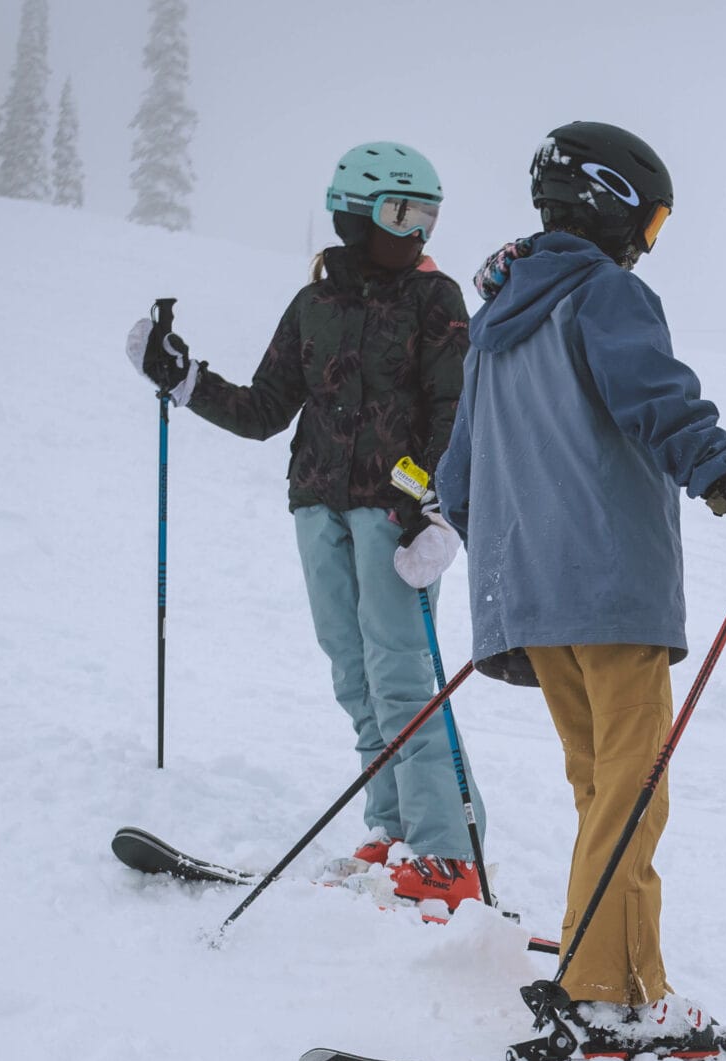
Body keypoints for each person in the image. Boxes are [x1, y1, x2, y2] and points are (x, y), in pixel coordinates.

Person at [435, 122, 726, 1058]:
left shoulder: (495, 325)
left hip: (536, 602)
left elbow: (458, 477)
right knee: (631, 795)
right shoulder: (605, 296)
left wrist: (520, 556)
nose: (651, 239)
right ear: (613, 204)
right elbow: (662, 403)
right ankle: (602, 993)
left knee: (606, 791)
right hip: (614, 591)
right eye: (655, 218)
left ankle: (633, 987)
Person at [127, 142, 481, 914]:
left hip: (396, 516)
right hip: (318, 504)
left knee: (402, 679)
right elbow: (263, 411)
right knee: (354, 678)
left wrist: (435, 508)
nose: (416, 231)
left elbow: (458, 412)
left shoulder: (437, 299)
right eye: (400, 212)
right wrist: (183, 380)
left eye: (427, 215)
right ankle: (392, 834)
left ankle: (451, 853)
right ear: (353, 213)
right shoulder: (313, 305)